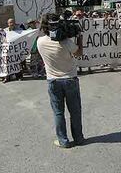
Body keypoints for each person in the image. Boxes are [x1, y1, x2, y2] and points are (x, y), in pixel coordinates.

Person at [37, 13, 84, 149]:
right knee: (75, 111)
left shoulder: (40, 42)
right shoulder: (66, 42)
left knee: (58, 112)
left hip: (53, 81)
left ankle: (63, 140)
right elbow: (79, 53)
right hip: (70, 79)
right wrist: (80, 37)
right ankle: (79, 138)